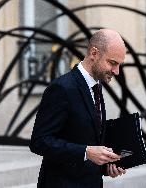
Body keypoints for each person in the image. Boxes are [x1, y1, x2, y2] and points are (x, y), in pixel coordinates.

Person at [30, 29, 127, 188]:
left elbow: (87, 139)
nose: (116, 71)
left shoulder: (96, 86)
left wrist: (107, 166)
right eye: (112, 63)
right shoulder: (62, 88)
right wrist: (86, 152)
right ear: (94, 53)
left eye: (119, 65)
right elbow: (39, 142)